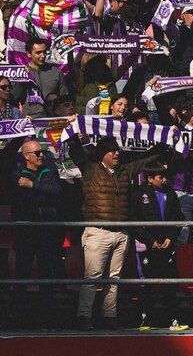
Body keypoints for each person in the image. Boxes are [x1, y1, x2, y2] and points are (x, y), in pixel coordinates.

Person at [78, 137, 152, 329]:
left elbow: (149, 157)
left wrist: (167, 138)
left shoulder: (126, 170)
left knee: (114, 279)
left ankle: (109, 316)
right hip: (97, 231)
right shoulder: (90, 169)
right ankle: (84, 317)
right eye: (112, 150)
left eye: (118, 150)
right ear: (102, 154)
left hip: (121, 233)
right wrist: (73, 133)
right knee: (92, 277)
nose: (117, 153)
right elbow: (75, 151)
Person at [9, 139, 65, 325]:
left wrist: (33, 185)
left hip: (47, 230)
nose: (42, 156)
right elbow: (23, 199)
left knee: (47, 274)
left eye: (43, 152)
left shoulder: (49, 170)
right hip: (26, 231)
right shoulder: (17, 173)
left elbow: (57, 192)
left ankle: (46, 317)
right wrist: (44, 194)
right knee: (22, 272)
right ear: (26, 156)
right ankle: (18, 316)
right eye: (37, 153)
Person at [132, 160, 189, 331]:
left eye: (165, 176)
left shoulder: (170, 193)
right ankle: (145, 320)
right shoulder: (138, 194)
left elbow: (178, 218)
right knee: (147, 283)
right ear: (150, 178)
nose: (164, 180)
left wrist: (170, 238)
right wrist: (150, 241)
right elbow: (134, 222)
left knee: (169, 283)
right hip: (146, 247)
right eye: (160, 177)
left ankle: (173, 320)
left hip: (166, 246)